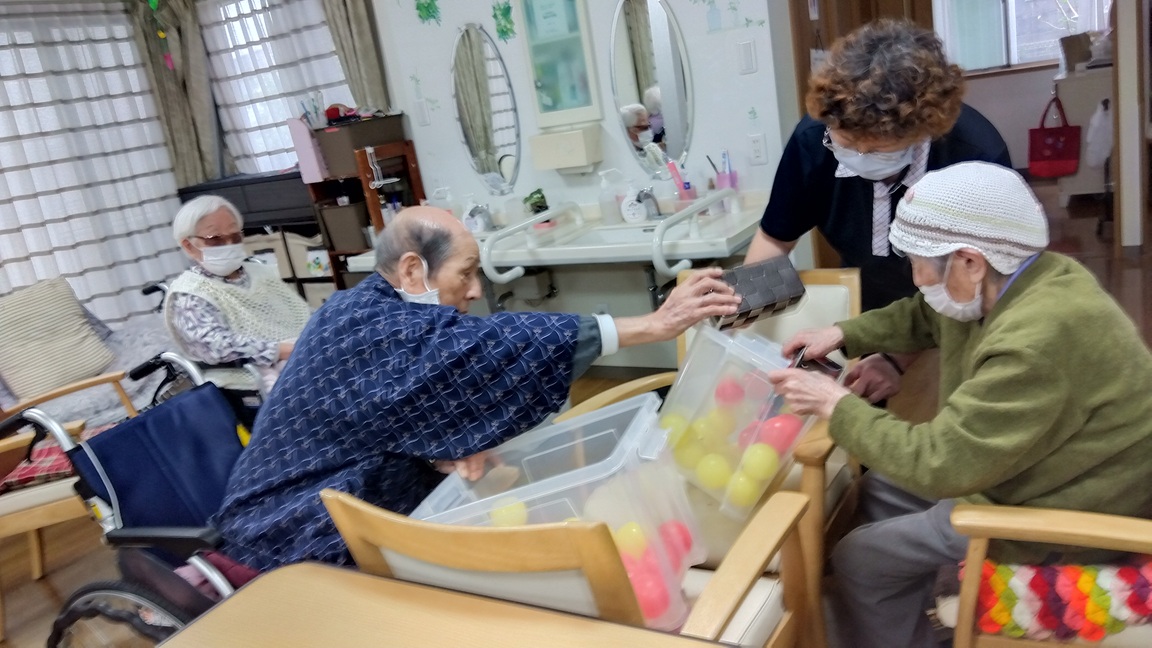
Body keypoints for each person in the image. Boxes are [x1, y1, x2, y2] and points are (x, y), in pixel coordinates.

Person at [211, 206, 741, 573]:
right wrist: (650, 325)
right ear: (413, 270)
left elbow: (380, 416)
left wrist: (439, 451)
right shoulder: (373, 329)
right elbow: (487, 347)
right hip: (285, 539)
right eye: (465, 273)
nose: (475, 289)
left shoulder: (361, 307)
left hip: (326, 513)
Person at [766, 162, 1152, 648]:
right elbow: (926, 315)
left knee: (859, 556)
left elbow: (940, 463)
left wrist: (835, 403)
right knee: (880, 489)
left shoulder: (1035, 342)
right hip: (1037, 469)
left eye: (918, 263)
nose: (916, 277)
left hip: (1070, 509)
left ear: (970, 262)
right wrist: (842, 333)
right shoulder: (1022, 277)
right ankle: (902, 606)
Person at [745, 19, 1011, 405]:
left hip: (958, 300)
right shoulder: (813, 140)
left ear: (922, 132)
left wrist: (894, 359)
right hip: (870, 293)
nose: (857, 156)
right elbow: (775, 238)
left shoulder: (976, 158)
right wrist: (739, 329)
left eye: (874, 149)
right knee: (860, 395)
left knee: (962, 402)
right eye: (844, 142)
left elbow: (976, 289)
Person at [165, 195, 312, 393]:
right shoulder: (190, 293)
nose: (228, 244)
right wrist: (284, 350)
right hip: (250, 375)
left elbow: (301, 312)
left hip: (300, 351)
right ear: (189, 246)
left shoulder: (260, 273)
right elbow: (216, 346)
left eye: (235, 237)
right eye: (215, 239)